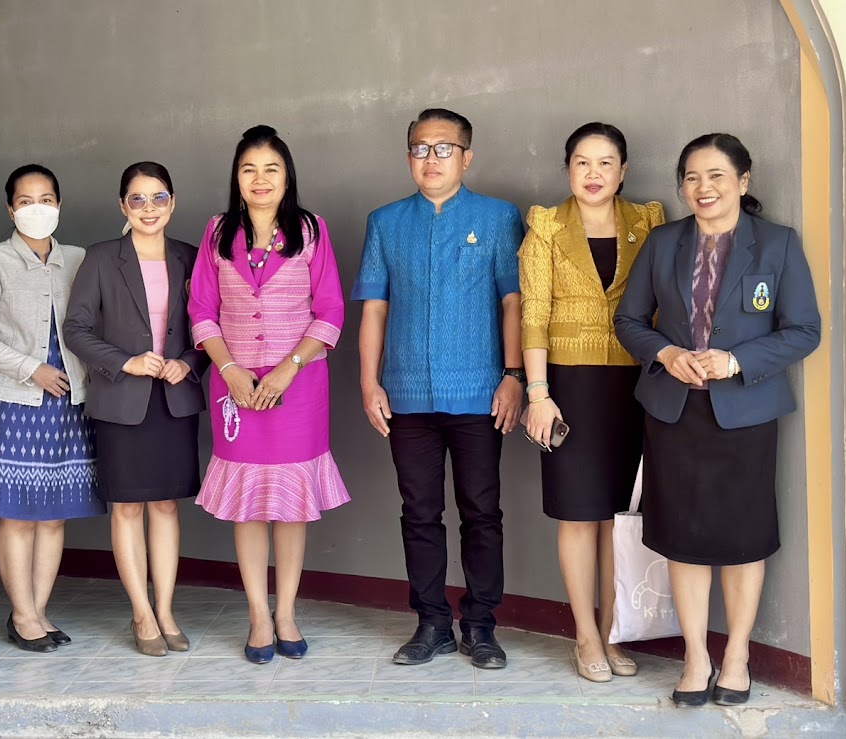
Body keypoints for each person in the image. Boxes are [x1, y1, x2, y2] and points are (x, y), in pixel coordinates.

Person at [614, 133, 820, 706]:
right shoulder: (663, 243)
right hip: (674, 412)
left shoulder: (776, 245)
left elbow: (805, 330)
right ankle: (696, 657)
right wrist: (668, 354)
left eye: (716, 176)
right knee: (684, 539)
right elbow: (629, 321)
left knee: (743, 538)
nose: (703, 189)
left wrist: (736, 360)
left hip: (746, 412)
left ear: (743, 182)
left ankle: (737, 656)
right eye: (692, 178)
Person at [352, 108, 524, 669]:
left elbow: (513, 302)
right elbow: (375, 307)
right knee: (418, 512)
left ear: (467, 156)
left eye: (444, 148)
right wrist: (368, 381)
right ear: (408, 157)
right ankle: (431, 622)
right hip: (406, 394)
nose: (431, 159)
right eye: (421, 149)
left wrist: (515, 376)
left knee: (482, 511)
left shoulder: (499, 218)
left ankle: (480, 623)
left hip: (480, 391)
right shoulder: (385, 222)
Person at [188, 125, 349, 664]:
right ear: (236, 178)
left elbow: (330, 313)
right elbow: (201, 313)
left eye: (271, 169)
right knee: (249, 508)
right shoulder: (216, 234)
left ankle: (287, 613)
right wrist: (231, 369)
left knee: (291, 508)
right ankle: (258, 615)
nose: (260, 179)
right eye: (249, 169)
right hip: (233, 388)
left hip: (298, 388)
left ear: (287, 177)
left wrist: (286, 370)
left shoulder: (311, 231)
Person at [519, 122, 665, 683]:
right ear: (568, 169)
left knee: (617, 520)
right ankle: (585, 637)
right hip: (567, 388)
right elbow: (533, 316)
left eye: (606, 163)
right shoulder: (548, 227)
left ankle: (614, 632)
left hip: (634, 386)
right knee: (580, 516)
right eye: (582, 162)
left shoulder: (648, 223)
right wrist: (539, 395)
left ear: (623, 170)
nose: (594, 174)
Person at [63, 162, 206, 657]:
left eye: (158, 197)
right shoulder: (102, 258)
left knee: (166, 506)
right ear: (123, 206)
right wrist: (126, 362)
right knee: (126, 508)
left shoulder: (192, 257)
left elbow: (209, 328)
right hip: (122, 401)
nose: (149, 208)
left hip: (174, 399)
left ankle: (166, 610)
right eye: (138, 199)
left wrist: (186, 364)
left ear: (173, 202)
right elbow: (75, 330)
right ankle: (141, 613)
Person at [0, 164, 106, 654]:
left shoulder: (79, 257)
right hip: (14, 399)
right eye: (25, 201)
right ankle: (22, 613)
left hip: (69, 400)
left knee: (54, 515)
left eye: (46, 198)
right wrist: (31, 369)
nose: (36, 208)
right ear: (10, 208)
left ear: (59, 205)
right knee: (17, 514)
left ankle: (39, 611)